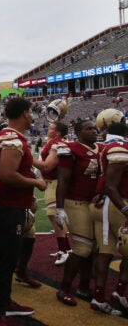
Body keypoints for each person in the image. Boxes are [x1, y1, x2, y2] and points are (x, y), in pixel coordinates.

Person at [0, 97, 46, 326]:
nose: (32, 116)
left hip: (10, 203)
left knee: (9, 258)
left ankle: (4, 301)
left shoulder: (14, 137)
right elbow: (8, 175)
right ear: (24, 113)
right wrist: (36, 183)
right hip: (6, 204)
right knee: (5, 259)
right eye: (31, 112)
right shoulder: (12, 138)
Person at [54, 120, 100, 307]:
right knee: (82, 249)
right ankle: (64, 288)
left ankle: (84, 285)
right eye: (88, 129)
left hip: (94, 203)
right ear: (78, 132)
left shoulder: (101, 148)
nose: (93, 132)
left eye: (94, 128)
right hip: (76, 202)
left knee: (92, 248)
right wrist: (59, 208)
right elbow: (63, 180)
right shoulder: (70, 149)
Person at [97, 121, 128, 315]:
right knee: (106, 251)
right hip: (118, 204)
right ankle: (99, 296)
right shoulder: (119, 148)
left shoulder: (116, 147)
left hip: (115, 202)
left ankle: (118, 292)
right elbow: (111, 185)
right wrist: (125, 208)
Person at [37, 122, 71, 266]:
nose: (47, 129)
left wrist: (27, 158)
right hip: (51, 183)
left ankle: (63, 250)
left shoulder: (57, 144)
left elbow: (48, 165)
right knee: (54, 217)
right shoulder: (53, 142)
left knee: (56, 218)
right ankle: (66, 248)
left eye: (51, 128)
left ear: (57, 133)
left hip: (55, 183)